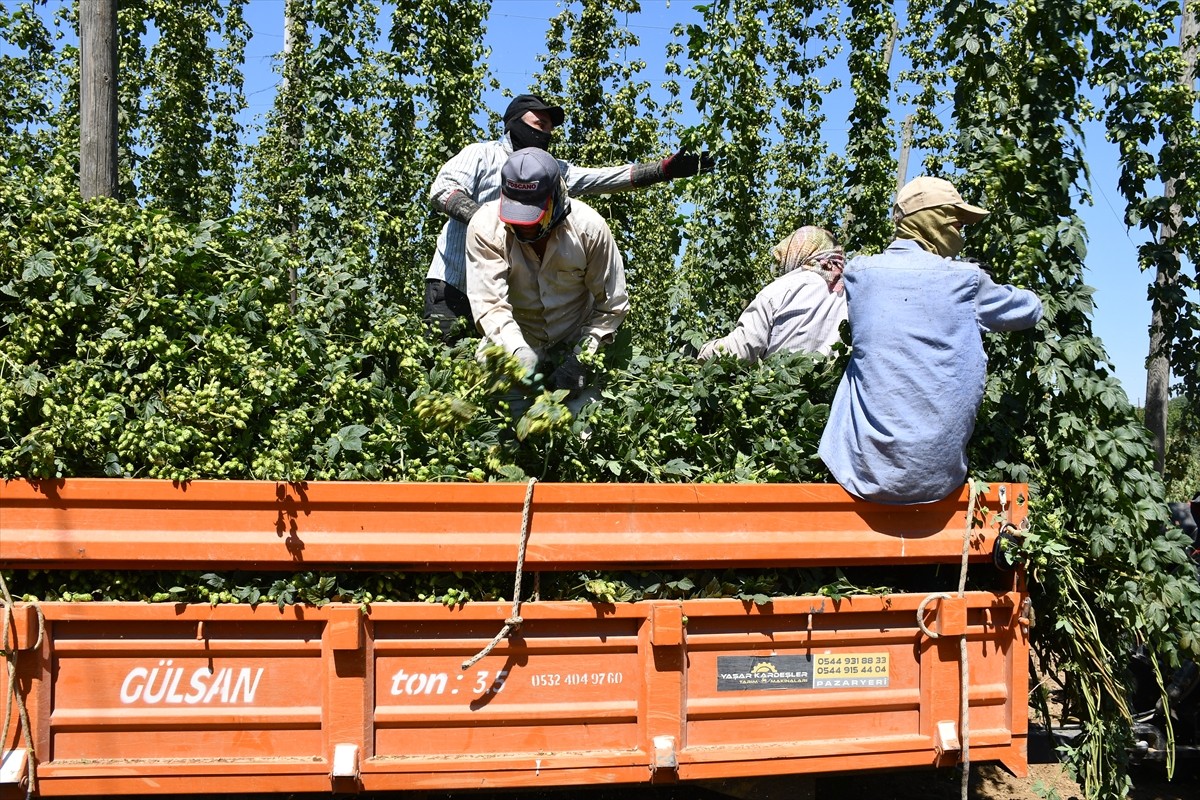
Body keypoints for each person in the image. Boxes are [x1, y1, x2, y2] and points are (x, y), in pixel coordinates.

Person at [818, 176, 1044, 505]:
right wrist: (984, 282)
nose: (961, 232)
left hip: (858, 470)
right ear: (932, 221)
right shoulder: (967, 280)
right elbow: (1030, 310)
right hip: (937, 476)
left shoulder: (859, 273)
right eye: (957, 221)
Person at [426, 92, 712, 339]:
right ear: (515, 123)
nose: (547, 132)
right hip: (455, 287)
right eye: (541, 124)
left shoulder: (551, 172)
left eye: (550, 127)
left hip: (503, 295)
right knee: (447, 370)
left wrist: (663, 169)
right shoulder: (481, 155)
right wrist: (488, 224)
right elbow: (443, 190)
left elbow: (601, 179)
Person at [466, 147, 628, 411]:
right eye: (516, 218)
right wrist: (517, 349)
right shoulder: (485, 227)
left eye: (531, 218)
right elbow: (489, 303)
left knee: (580, 427)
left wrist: (581, 358)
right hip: (515, 336)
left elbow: (611, 306)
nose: (523, 226)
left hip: (573, 339)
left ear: (554, 200)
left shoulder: (589, 228)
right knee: (504, 420)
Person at [697, 226, 848, 362]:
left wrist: (702, 352)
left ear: (795, 254)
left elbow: (741, 350)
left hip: (782, 389)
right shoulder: (852, 295)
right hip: (836, 391)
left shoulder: (779, 292)